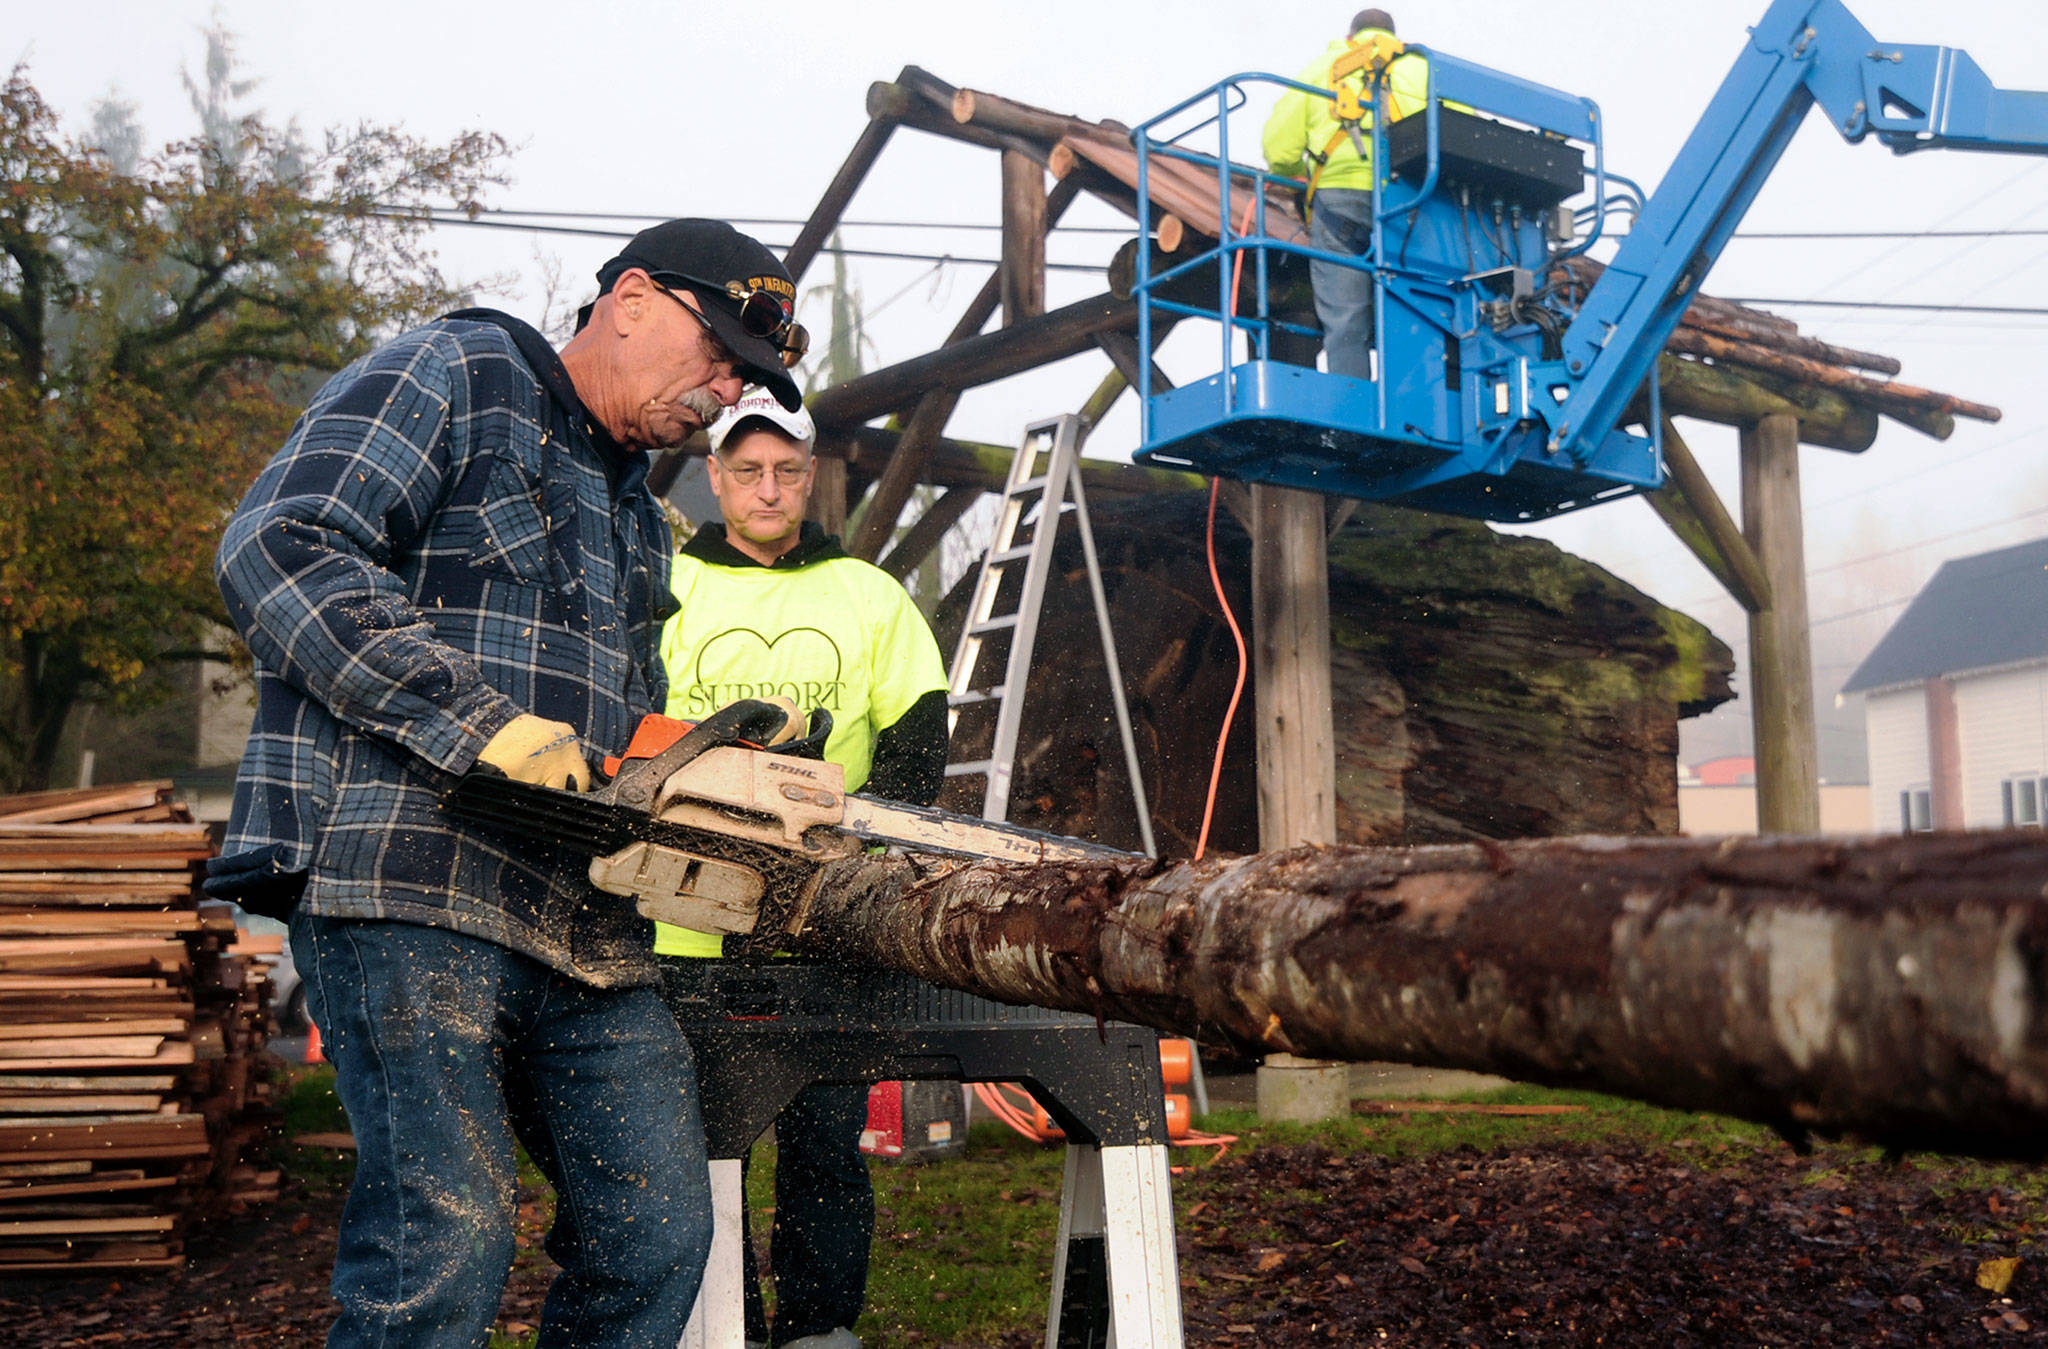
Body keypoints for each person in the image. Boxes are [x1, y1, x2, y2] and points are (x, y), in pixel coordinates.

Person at [208, 218, 808, 1348]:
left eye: (743, 376)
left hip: (581, 916)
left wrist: (711, 771)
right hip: (408, 881)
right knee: (448, 1232)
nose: (723, 390)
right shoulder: (462, 369)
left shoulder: (638, 508)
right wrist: (481, 726)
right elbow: (281, 543)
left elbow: (620, 728)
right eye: (716, 352)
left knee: (660, 1234)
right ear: (630, 296)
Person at [655, 389, 949, 1349]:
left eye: (786, 469)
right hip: (680, 920)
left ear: (809, 475)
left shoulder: (868, 593)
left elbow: (915, 742)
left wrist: (862, 869)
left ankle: (819, 1329)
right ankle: (721, 1324)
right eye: (748, 470)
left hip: (826, 918)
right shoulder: (665, 588)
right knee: (699, 1146)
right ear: (716, 476)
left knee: (825, 1142)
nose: (768, 487)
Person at [1262, 8, 1432, 378]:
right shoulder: (1424, 69)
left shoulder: (1322, 69)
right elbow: (1460, 133)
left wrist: (1294, 174)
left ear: (1352, 35)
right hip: (1412, 200)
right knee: (1417, 312)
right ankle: (1417, 408)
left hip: (1339, 204)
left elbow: (1279, 150)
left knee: (1345, 319)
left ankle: (1354, 409)